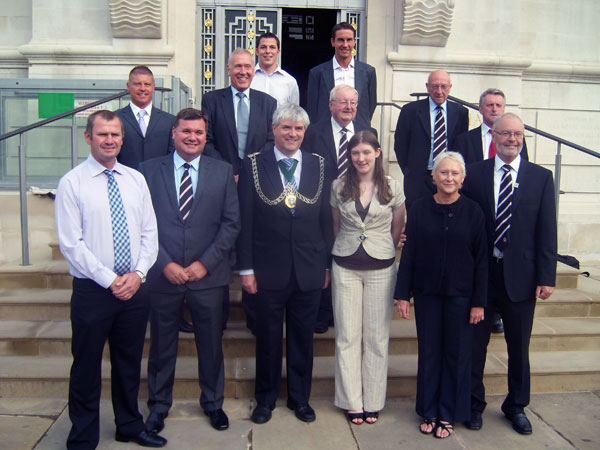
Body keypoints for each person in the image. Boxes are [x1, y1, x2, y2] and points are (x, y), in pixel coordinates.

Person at [55, 110, 165, 449]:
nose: (109, 140)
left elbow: (150, 232)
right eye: (102, 134)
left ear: (122, 138)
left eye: (115, 135)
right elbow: (71, 244)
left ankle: (129, 425)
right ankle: (84, 435)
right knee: (87, 366)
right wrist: (110, 279)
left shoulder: (135, 179)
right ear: (88, 137)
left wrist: (139, 274)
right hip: (93, 290)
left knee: (129, 363)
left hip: (135, 288)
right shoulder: (72, 183)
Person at [139, 108, 240, 433]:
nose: (192, 137)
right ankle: (158, 406)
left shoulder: (222, 172)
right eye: (186, 132)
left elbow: (231, 224)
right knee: (162, 345)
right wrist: (164, 262)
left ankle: (212, 403)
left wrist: (204, 264)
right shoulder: (147, 171)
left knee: (210, 345)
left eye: (198, 133)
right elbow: (143, 224)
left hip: (208, 277)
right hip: (163, 274)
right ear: (174, 133)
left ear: (205, 136)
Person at [237, 104, 333, 425]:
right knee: (267, 338)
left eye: (299, 129)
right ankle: (265, 398)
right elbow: (245, 222)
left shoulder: (319, 165)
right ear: (274, 130)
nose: (293, 134)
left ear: (305, 133)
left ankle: (299, 398)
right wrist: (246, 269)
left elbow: (324, 222)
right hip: (267, 270)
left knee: (303, 339)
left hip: (308, 269)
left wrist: (326, 266)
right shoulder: (253, 165)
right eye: (286, 128)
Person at [462, 112, 557, 435]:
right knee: (475, 346)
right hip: (482, 278)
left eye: (517, 134)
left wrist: (547, 276)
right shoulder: (474, 174)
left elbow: (547, 230)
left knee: (519, 348)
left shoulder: (541, 178)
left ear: (523, 137)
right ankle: (473, 404)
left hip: (522, 278)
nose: (512, 140)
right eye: (505, 134)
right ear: (494, 136)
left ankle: (516, 405)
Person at [395, 151, 487, 439]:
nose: (449, 178)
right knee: (430, 353)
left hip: (461, 296)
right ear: (434, 177)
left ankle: (448, 413)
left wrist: (478, 302)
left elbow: (482, 260)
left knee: (456, 355)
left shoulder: (474, 211)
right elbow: (409, 254)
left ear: (462, 178)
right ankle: (429, 410)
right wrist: (402, 294)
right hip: (427, 294)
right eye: (443, 173)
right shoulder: (420, 208)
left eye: (454, 173)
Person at [330, 130, 405, 425]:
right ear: (350, 156)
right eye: (355, 153)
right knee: (347, 336)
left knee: (375, 339)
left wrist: (385, 245)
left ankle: (372, 400)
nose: (361, 158)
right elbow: (335, 226)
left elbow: (397, 229)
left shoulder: (393, 186)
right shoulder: (338, 186)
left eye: (366, 152)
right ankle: (351, 401)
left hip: (381, 269)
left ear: (377, 153)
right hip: (345, 267)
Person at [303, 84, 378, 333]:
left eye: (353, 103)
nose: (348, 107)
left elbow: (373, 168)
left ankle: (347, 313)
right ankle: (324, 313)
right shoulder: (313, 132)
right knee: (327, 255)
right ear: (331, 105)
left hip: (359, 207)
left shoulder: (368, 131)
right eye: (343, 102)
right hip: (323, 204)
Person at [393, 70, 469, 209]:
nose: (439, 91)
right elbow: (400, 145)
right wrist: (410, 171)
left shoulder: (461, 112)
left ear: (450, 87)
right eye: (434, 86)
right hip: (419, 178)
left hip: (448, 178)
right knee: (418, 219)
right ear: (427, 87)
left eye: (444, 86)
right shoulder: (410, 111)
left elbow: (461, 145)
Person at [201, 48, 278, 176]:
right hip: (221, 176)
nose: (243, 72)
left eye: (247, 67)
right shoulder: (211, 100)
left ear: (253, 71)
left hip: (258, 176)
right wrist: (227, 171)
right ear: (228, 69)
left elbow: (271, 141)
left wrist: (251, 170)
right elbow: (206, 140)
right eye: (238, 66)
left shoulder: (268, 103)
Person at [307, 22, 377, 126]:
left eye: (349, 40)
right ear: (333, 42)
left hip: (358, 134)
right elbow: (312, 108)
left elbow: (371, 105)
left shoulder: (368, 72)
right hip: (327, 134)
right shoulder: (317, 73)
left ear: (354, 42)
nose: (345, 45)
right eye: (340, 40)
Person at [116, 65, 176, 170]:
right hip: (125, 182)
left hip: (159, 182)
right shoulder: (116, 119)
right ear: (128, 86)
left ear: (153, 87)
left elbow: (172, 157)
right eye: (137, 84)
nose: (143, 88)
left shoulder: (170, 121)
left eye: (147, 84)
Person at [453, 88, 529, 164]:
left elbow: (523, 166)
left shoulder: (516, 138)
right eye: (490, 105)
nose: (494, 109)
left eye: (498, 105)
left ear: (503, 110)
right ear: (480, 109)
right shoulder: (464, 140)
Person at [250, 32, 300, 106]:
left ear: (278, 51)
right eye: (263, 47)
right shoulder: (248, 78)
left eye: (272, 47)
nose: (268, 51)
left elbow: (293, 114)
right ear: (257, 51)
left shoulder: (290, 81)